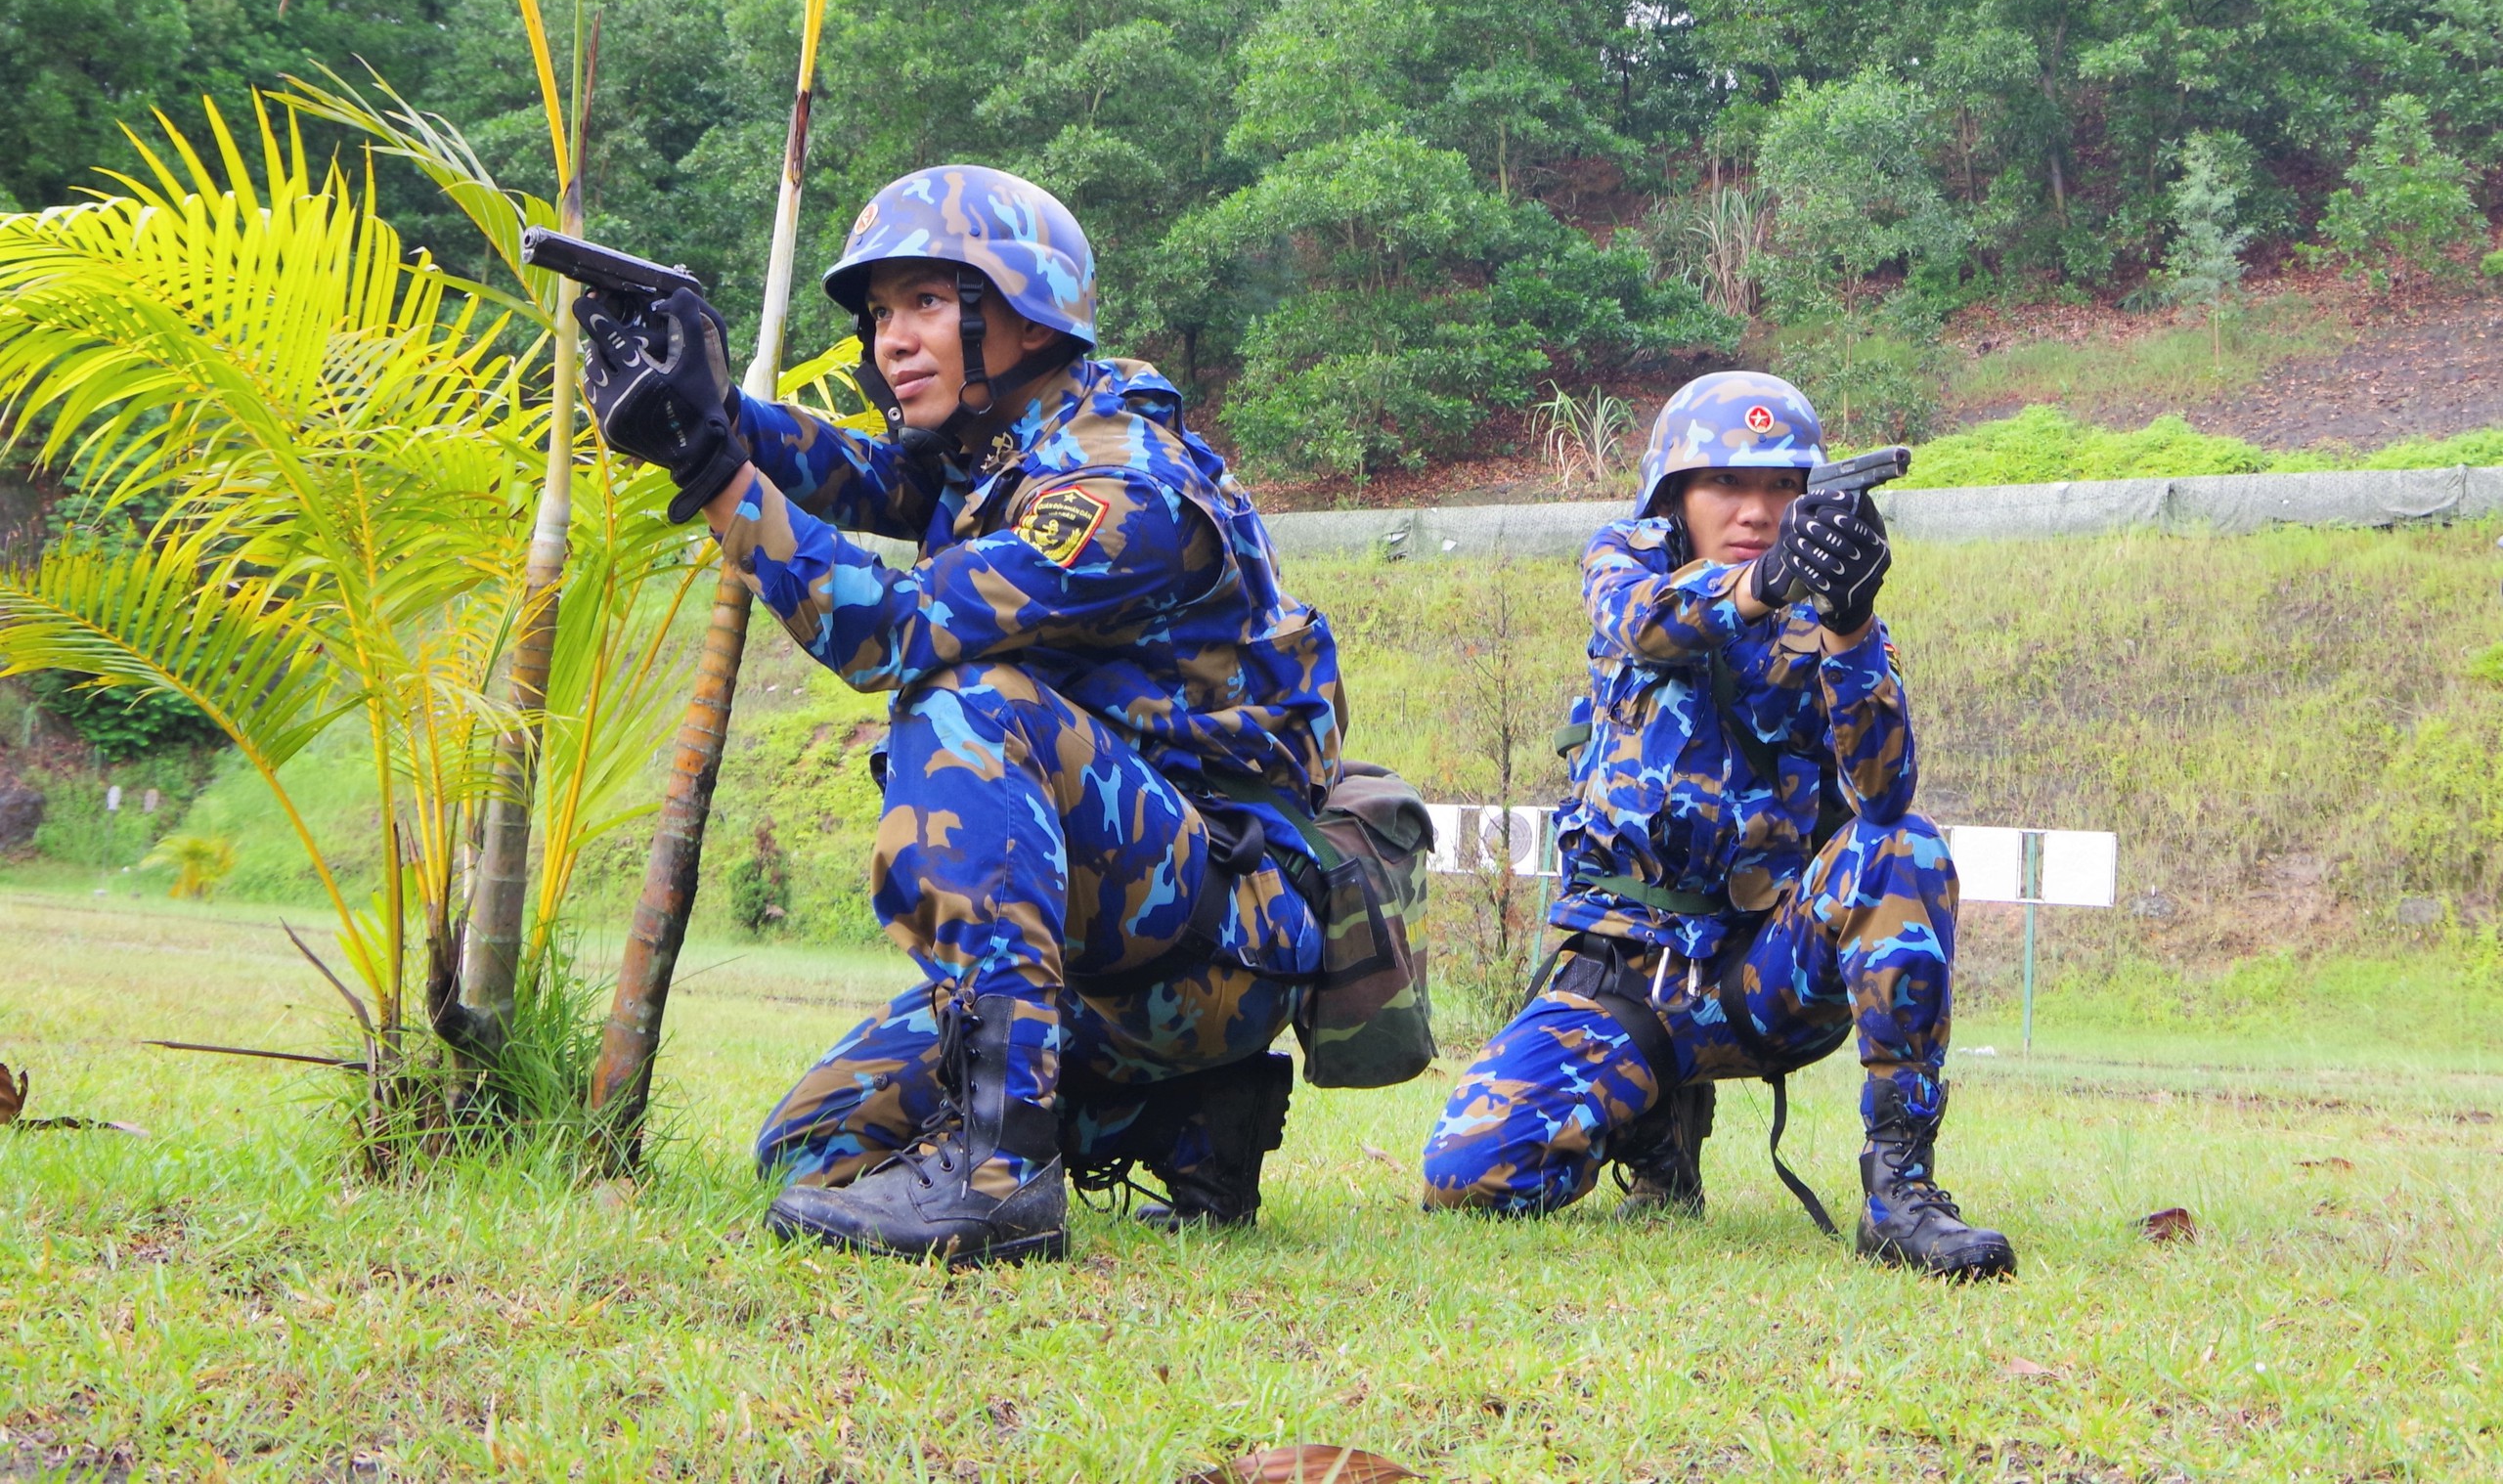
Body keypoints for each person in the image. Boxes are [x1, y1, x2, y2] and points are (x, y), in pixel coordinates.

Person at [571, 165, 1346, 1267]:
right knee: (810, 1153)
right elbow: (867, 475)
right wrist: (708, 408)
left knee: (966, 697)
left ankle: (999, 1177)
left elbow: (886, 631)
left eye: (929, 302)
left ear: (1024, 311)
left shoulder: (1124, 489)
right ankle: (1176, 1118)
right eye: (881, 313)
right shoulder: (996, 459)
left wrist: (709, 468)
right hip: (1114, 949)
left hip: (1215, 932)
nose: (894, 340)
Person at [1417, 371, 2014, 1280]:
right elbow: (1645, 626)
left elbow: (1885, 793)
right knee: (1469, 1176)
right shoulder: (1627, 559)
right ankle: (1653, 1128)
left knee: (1902, 845)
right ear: (1675, 495)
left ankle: (1901, 1192)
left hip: (1764, 972)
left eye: (1783, 488)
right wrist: (1763, 584)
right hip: (1629, 976)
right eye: (1727, 483)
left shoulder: (1831, 622)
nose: (1756, 509)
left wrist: (1850, 628)